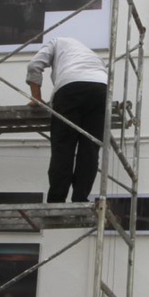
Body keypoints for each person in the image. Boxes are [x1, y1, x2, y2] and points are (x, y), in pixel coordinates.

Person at [26, 36, 107, 203]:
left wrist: (37, 97)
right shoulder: (93, 56)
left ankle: (57, 199)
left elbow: (34, 65)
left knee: (63, 146)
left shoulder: (56, 42)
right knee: (90, 147)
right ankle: (80, 197)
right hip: (101, 88)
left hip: (70, 87)